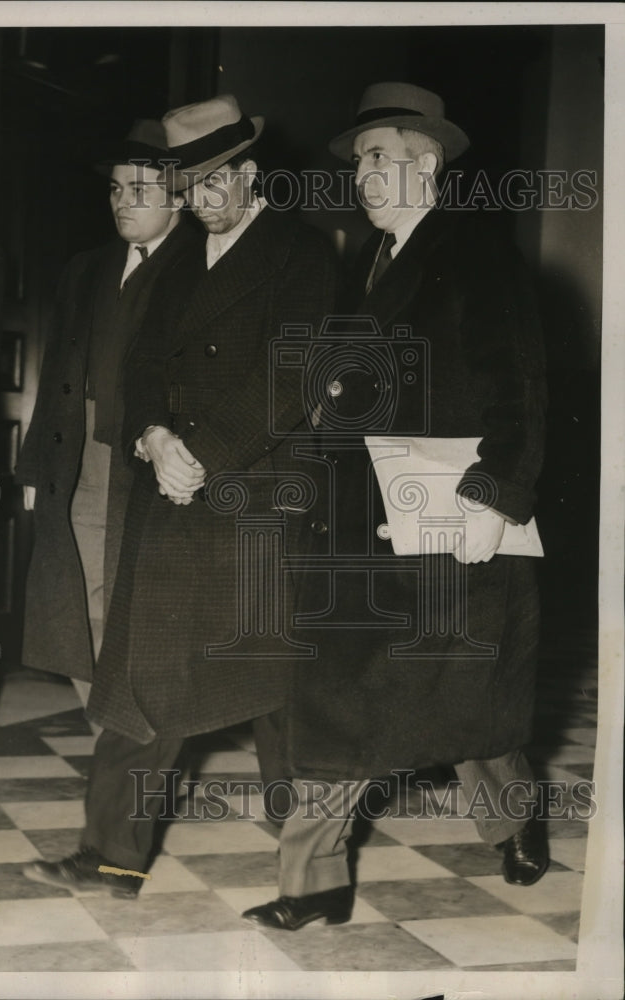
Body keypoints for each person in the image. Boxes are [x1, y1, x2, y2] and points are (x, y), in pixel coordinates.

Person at [244, 82, 549, 931]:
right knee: (337, 702)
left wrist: (497, 499)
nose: (363, 174)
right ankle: (313, 886)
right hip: (360, 524)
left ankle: (516, 820)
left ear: (428, 163)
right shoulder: (363, 269)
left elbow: (519, 388)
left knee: (469, 703)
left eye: (377, 158)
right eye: (360, 162)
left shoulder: (478, 251)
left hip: (449, 516)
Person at [23, 94, 340, 897]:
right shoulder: (179, 264)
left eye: (214, 180)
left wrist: (204, 452)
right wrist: (156, 438)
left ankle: (310, 870)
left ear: (250, 172)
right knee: (137, 680)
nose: (201, 198)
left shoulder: (303, 257)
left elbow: (292, 374)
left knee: (276, 692)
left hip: (257, 505)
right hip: (173, 499)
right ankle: (111, 856)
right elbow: (141, 373)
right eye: (188, 184)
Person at [15, 120, 198, 709]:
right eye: (117, 189)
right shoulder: (86, 268)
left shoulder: (202, 265)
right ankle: (110, 734)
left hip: (158, 458)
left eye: (141, 189)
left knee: (143, 600)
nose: (124, 201)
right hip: (84, 456)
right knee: (78, 587)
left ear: (178, 198)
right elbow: (57, 373)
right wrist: (38, 466)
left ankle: (137, 736)